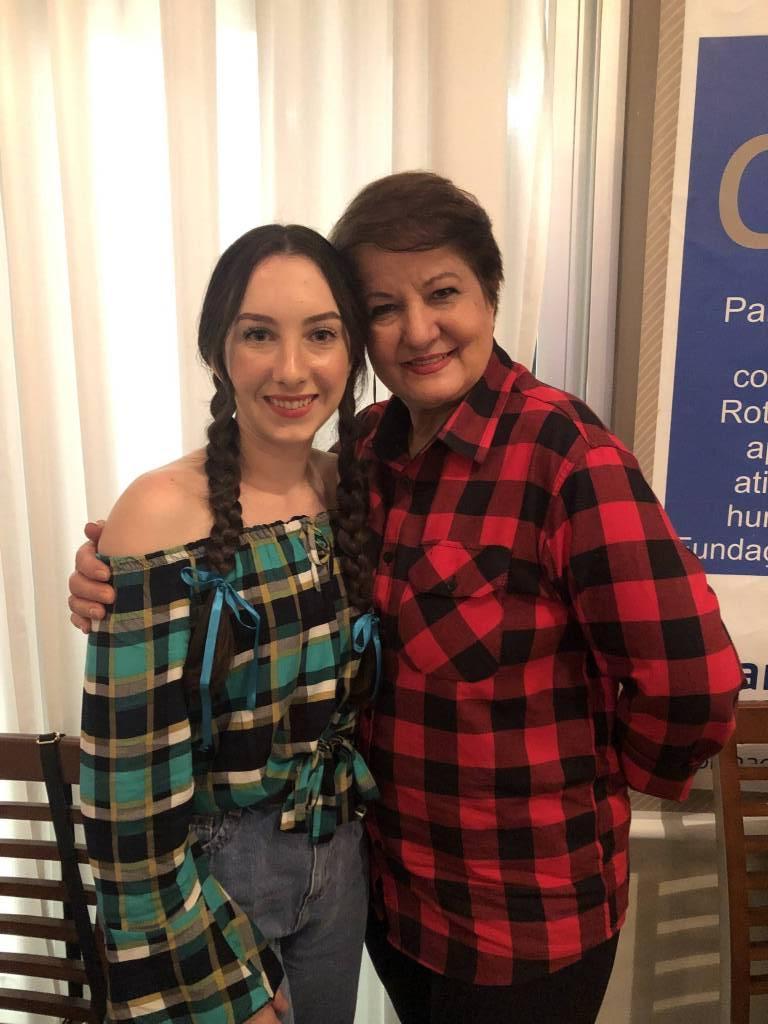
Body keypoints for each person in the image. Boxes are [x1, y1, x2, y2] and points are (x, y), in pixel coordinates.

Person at [71, 173, 744, 1024]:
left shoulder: (564, 453)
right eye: (384, 308)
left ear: (489, 294)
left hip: (519, 923)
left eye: (443, 293)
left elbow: (692, 682)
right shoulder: (363, 458)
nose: (419, 330)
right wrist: (115, 568)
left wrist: (587, 789)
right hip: (386, 903)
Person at [78, 224, 381, 1024]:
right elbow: (126, 805)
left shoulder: (353, 490)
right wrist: (211, 980)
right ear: (218, 349)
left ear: (352, 351)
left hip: (340, 864)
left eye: (321, 334)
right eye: (259, 334)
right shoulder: (159, 513)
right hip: (213, 877)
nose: (292, 368)